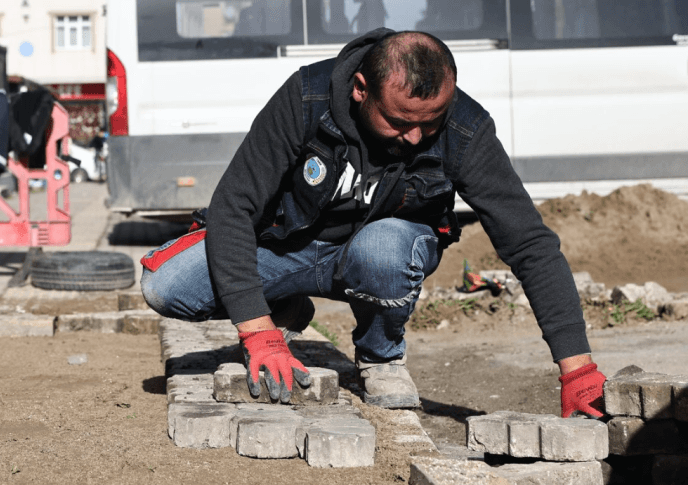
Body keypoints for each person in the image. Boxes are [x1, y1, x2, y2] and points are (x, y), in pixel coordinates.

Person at [140, 28, 607, 418]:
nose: (416, 136)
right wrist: (257, 330)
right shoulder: (307, 97)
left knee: (382, 247)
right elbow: (233, 207)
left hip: (379, 253)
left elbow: (529, 244)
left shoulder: (466, 130)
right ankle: (283, 307)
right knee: (167, 285)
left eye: (431, 121)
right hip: (288, 247)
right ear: (361, 89)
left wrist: (577, 368)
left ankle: (380, 357)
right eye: (401, 121)